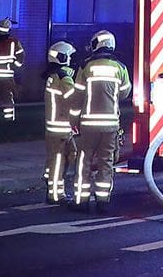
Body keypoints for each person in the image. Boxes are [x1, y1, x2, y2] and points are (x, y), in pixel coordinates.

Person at [74, 29, 131, 211]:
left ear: (96, 44)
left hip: (89, 125)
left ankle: (82, 202)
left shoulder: (85, 67)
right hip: (110, 125)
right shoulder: (120, 68)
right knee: (106, 162)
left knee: (84, 161)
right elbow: (124, 93)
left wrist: (73, 120)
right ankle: (102, 201)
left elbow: (78, 95)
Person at [42, 42, 81, 205]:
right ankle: (55, 195)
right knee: (58, 161)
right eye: (69, 56)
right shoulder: (63, 78)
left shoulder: (52, 76)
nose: (71, 59)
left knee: (64, 158)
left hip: (56, 128)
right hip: (61, 128)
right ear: (62, 57)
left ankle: (50, 180)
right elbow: (75, 98)